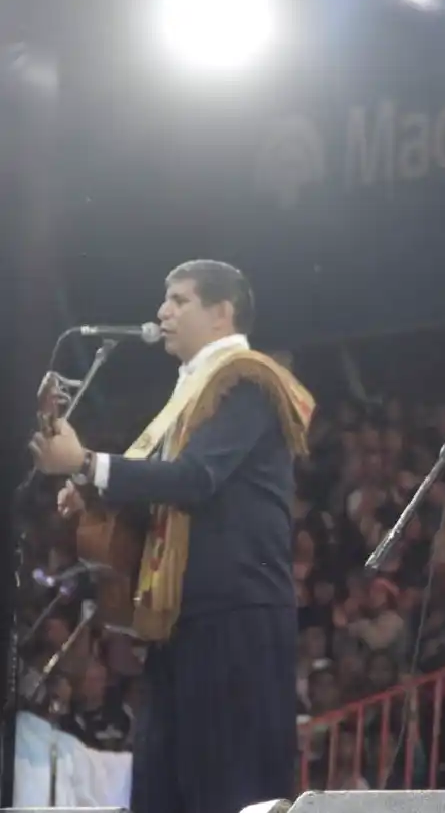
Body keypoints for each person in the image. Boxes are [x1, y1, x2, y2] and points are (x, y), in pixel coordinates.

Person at [30, 260, 314, 813]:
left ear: (221, 313)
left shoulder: (248, 381)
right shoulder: (192, 391)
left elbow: (197, 479)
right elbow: (160, 483)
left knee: (231, 789)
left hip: (234, 611)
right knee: (164, 786)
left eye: (179, 300)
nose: (162, 312)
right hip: (180, 614)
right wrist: (92, 487)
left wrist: (88, 464)